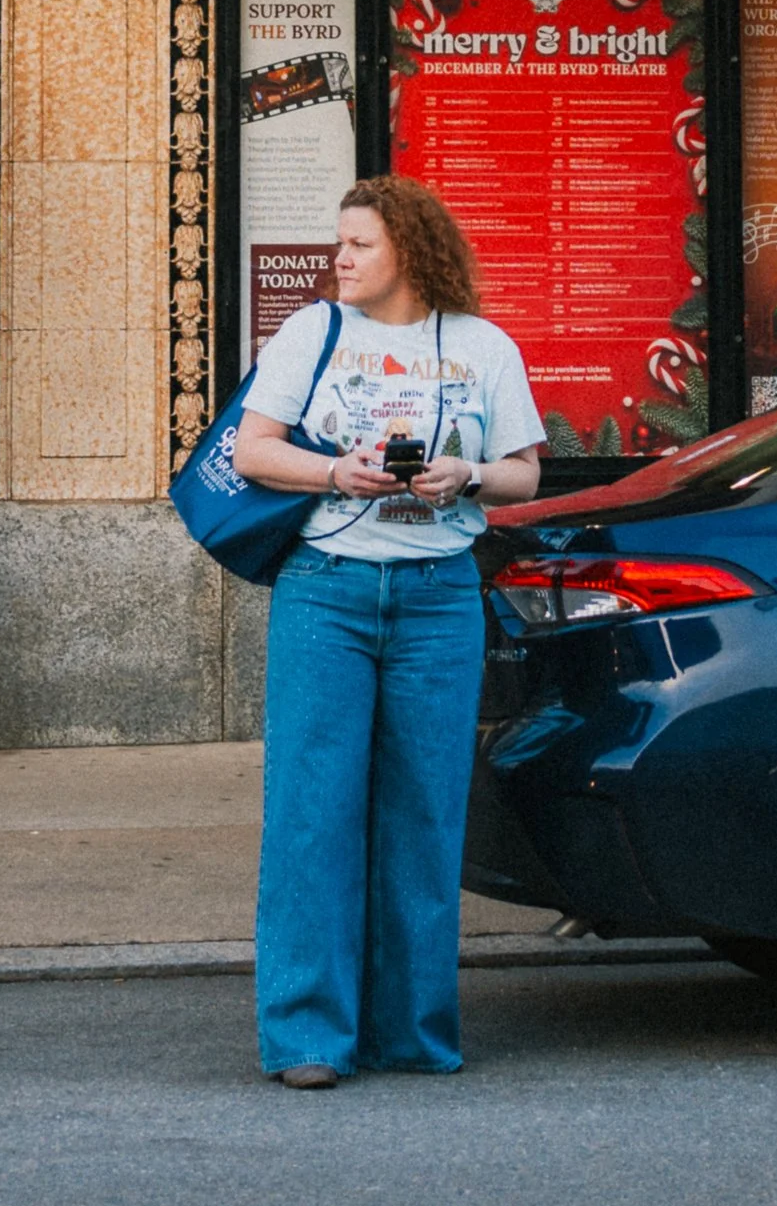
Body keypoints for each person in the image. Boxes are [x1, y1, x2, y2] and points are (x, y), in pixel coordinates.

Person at [233, 175, 544, 1090]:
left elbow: (526, 475)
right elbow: (254, 449)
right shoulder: (313, 332)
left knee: (424, 811)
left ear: (409, 248)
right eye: (340, 243)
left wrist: (467, 474)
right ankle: (308, 1038)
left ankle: (411, 1030)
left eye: (360, 244)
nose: (342, 258)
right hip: (326, 591)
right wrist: (337, 474)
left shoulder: (483, 347)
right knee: (311, 811)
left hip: (439, 597)